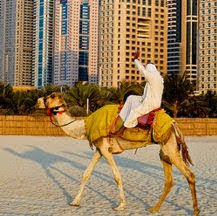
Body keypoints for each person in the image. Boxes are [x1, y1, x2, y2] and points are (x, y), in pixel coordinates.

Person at [110, 50, 164, 133]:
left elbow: (142, 71)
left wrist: (135, 60)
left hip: (150, 104)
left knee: (134, 113)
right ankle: (123, 115)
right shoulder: (159, 78)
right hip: (149, 100)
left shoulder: (152, 77)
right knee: (131, 98)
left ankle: (128, 126)